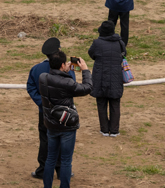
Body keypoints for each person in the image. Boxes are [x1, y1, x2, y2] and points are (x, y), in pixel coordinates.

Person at [39, 50, 93, 188]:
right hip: (67, 125)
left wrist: (65, 71)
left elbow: (57, 83)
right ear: (63, 64)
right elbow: (87, 88)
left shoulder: (43, 77)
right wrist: (85, 70)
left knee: (50, 159)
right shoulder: (67, 82)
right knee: (65, 161)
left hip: (51, 124)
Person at [27, 37, 63, 180]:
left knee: (45, 140)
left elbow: (31, 87)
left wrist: (41, 102)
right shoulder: (64, 68)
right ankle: (62, 171)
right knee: (62, 140)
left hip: (45, 111)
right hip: (62, 111)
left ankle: (42, 170)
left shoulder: (36, 69)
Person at [88, 19, 126, 137]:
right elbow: (124, 54)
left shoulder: (97, 43)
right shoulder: (120, 42)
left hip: (100, 77)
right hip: (116, 77)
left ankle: (104, 129)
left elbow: (91, 54)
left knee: (101, 103)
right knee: (115, 104)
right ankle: (114, 130)